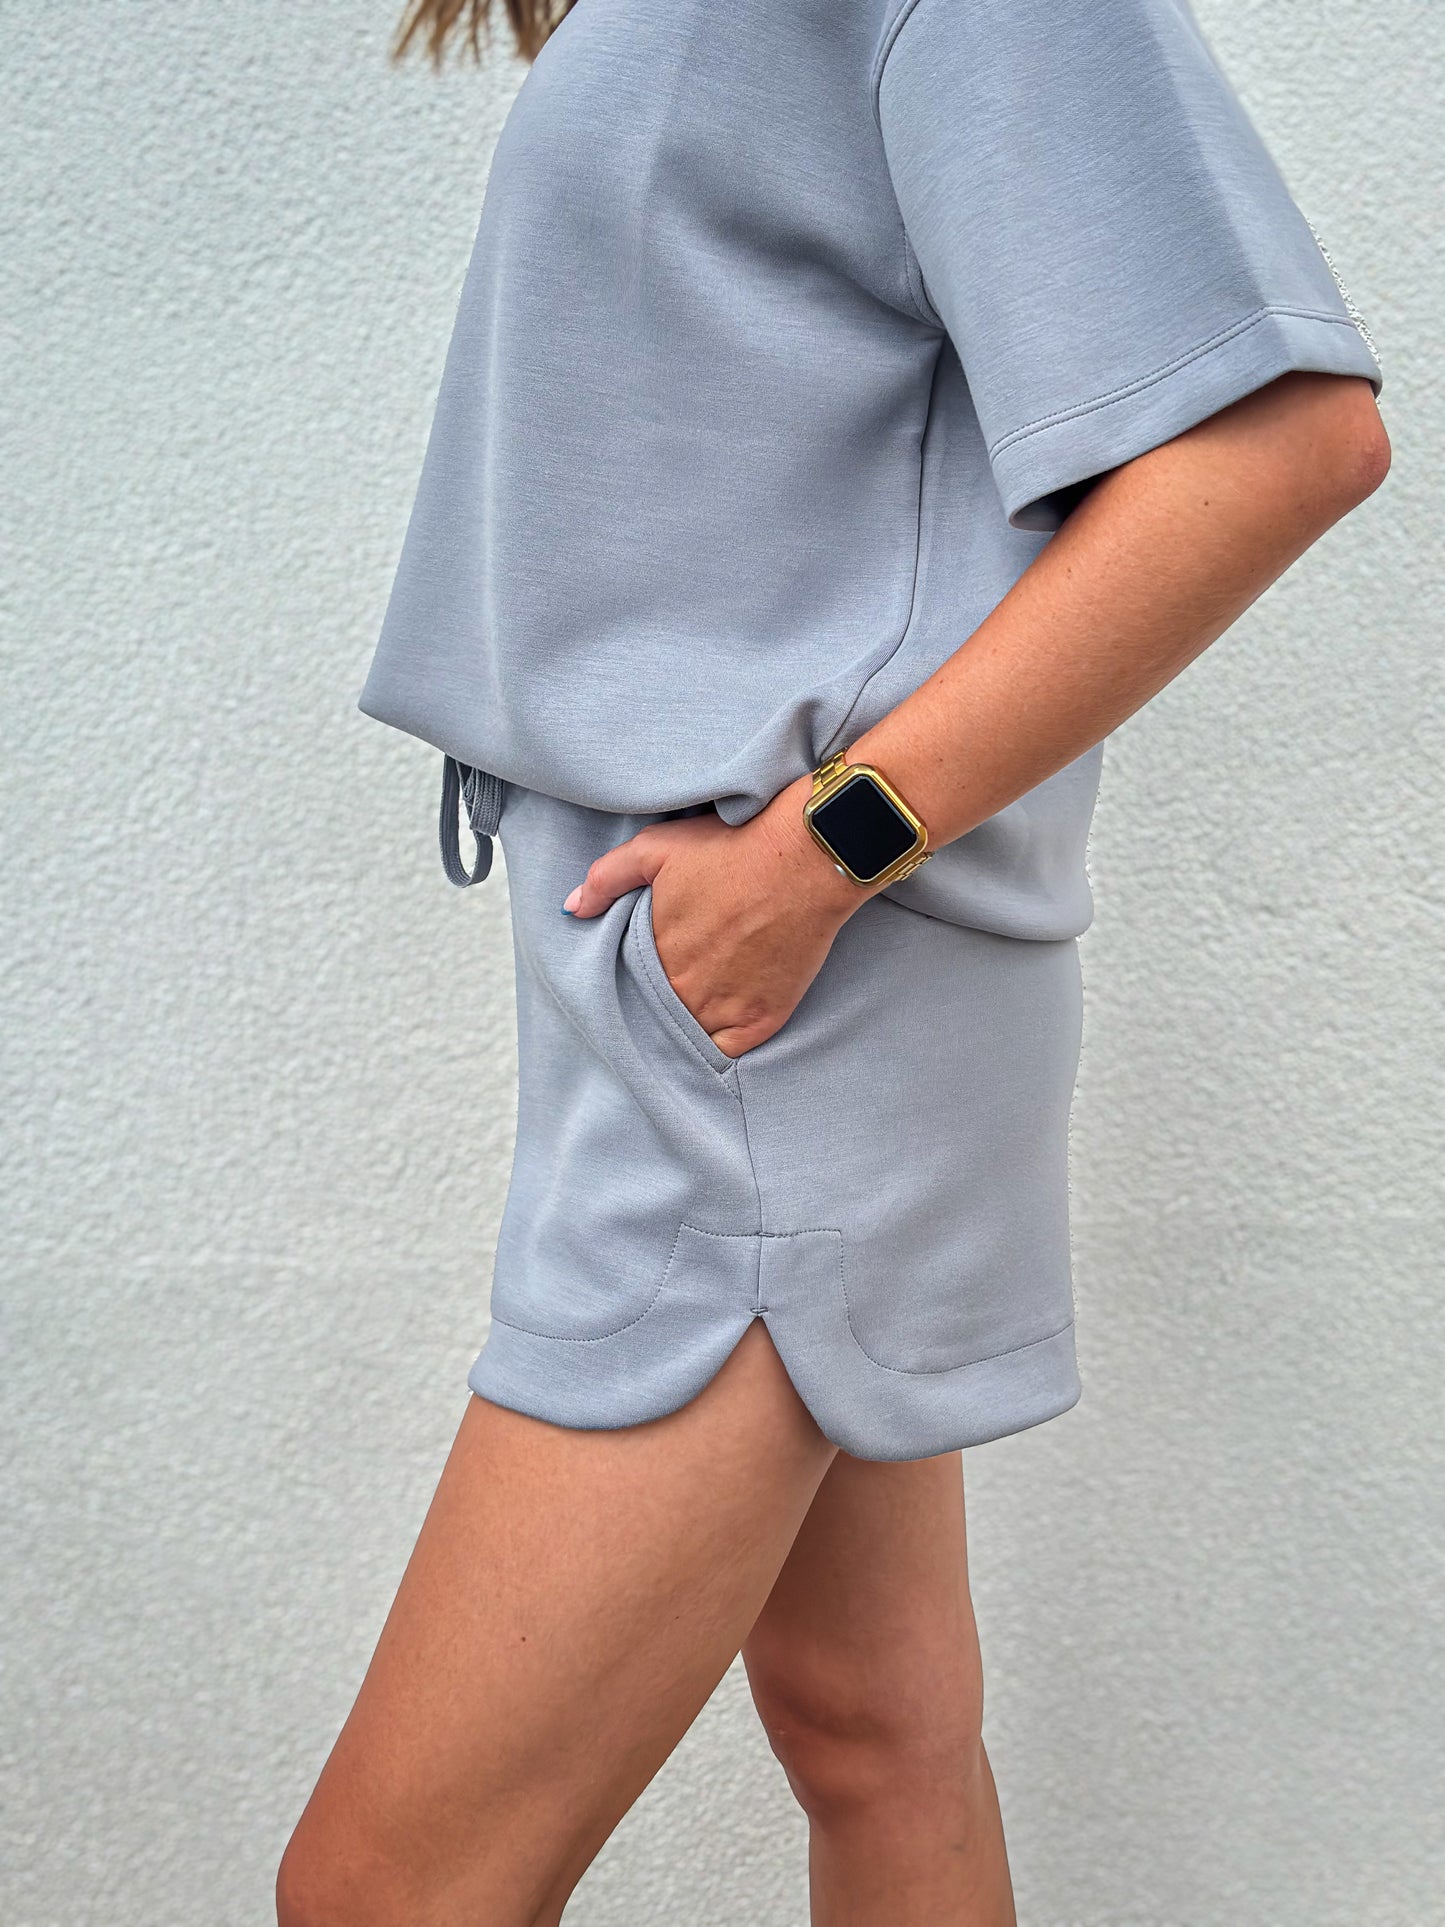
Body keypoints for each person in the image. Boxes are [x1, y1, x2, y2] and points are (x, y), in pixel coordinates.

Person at [277, 0, 1389, 1920]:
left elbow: (1275, 442)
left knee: (382, 1893)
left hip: (775, 1026)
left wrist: (819, 856)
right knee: (877, 1737)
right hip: (734, 1008)